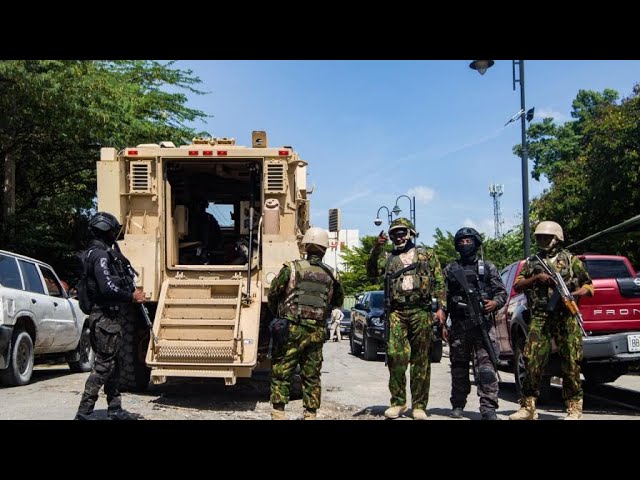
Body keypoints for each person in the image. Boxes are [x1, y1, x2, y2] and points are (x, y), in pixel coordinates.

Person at [509, 221, 594, 420]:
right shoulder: (532, 262)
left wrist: (573, 294)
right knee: (531, 360)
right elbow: (518, 285)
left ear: (557, 238)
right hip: (540, 315)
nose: (542, 241)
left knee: (571, 362)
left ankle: (574, 407)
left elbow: (589, 286)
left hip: (565, 316)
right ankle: (528, 406)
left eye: (546, 237)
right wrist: (536, 278)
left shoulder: (571, 260)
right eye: (539, 237)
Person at [367, 218, 446, 420]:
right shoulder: (389, 257)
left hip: (421, 311)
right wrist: (376, 248)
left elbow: (439, 281)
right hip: (397, 312)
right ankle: (398, 402)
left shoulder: (426, 254)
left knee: (421, 359)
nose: (398, 237)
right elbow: (372, 272)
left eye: (402, 232)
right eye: (394, 234)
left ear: (411, 233)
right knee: (395, 356)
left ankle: (419, 405)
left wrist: (441, 308)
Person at [74, 212, 147, 420]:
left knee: (114, 364)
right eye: (114, 231)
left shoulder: (95, 253)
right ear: (106, 231)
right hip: (105, 317)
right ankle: (84, 412)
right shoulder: (101, 255)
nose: (115, 235)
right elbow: (107, 288)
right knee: (104, 365)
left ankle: (115, 408)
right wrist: (131, 296)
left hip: (103, 317)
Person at [267, 227, 344, 420]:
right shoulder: (332, 275)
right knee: (312, 375)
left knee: (282, 371)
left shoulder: (291, 268)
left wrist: (278, 314)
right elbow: (338, 302)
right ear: (325, 249)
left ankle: (278, 414)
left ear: (305, 246)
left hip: (291, 329)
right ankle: (310, 414)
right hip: (316, 331)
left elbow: (274, 294)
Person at [442, 227, 507, 420]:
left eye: (468, 241)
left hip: (483, 326)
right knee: (459, 368)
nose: (465, 244)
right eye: (461, 241)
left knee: (486, 369)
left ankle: (488, 408)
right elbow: (443, 296)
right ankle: (458, 404)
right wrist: (443, 322)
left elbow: (502, 293)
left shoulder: (488, 267)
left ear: (476, 243)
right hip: (459, 326)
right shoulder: (450, 269)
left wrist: (494, 303)